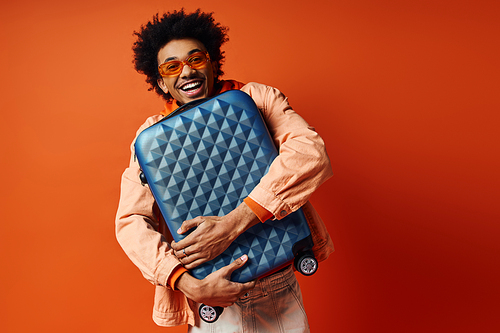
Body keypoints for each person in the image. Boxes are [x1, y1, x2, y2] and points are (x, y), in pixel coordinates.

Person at [115, 8, 334, 332]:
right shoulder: (149, 140)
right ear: (160, 79)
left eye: (196, 59)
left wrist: (234, 222)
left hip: (276, 290)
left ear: (213, 61)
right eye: (172, 66)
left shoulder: (257, 99)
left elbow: (310, 152)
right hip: (210, 304)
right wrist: (189, 284)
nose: (186, 71)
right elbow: (130, 222)